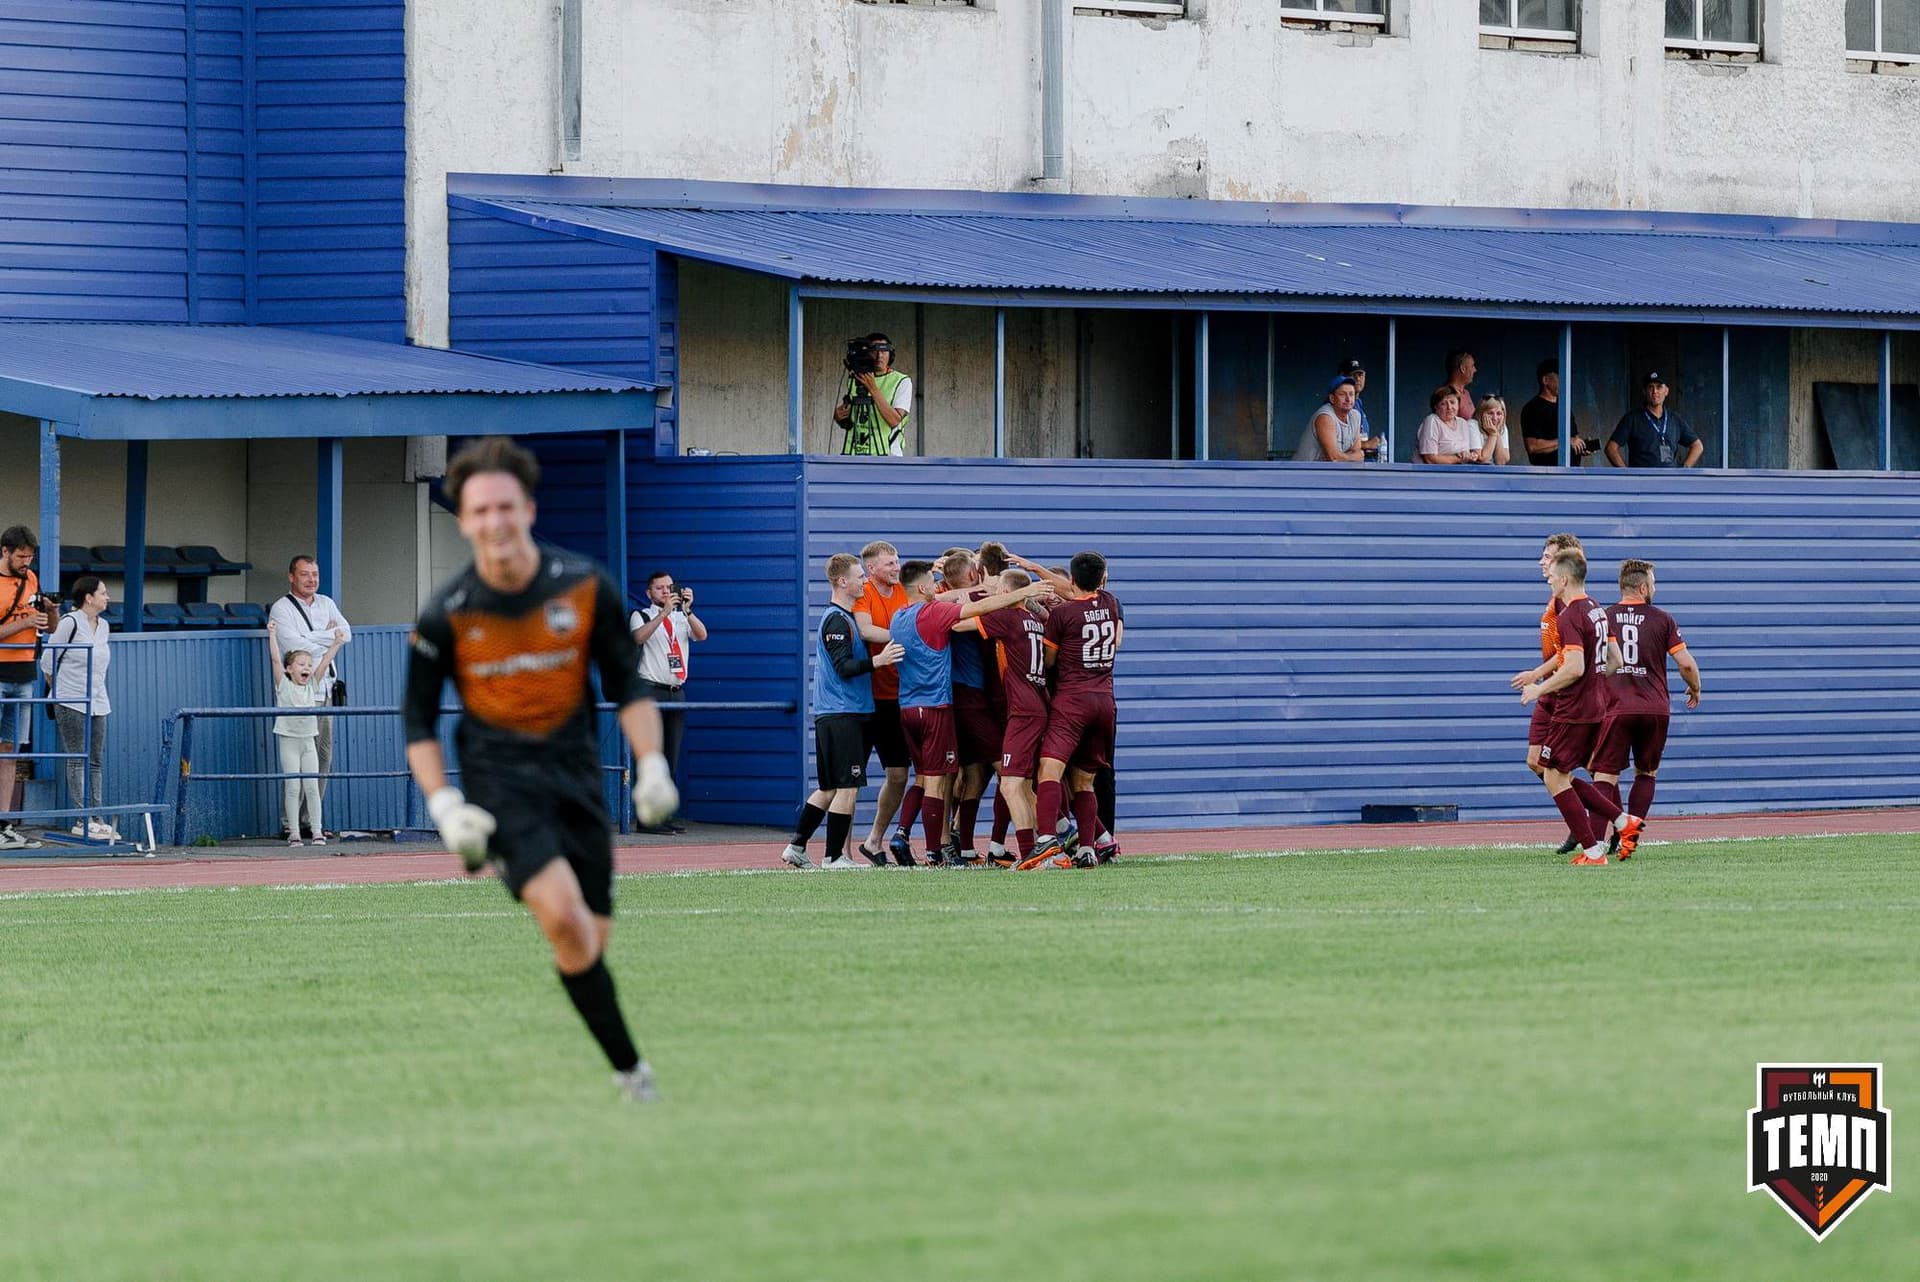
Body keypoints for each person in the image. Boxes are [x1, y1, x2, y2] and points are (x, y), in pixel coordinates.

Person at [403, 436, 679, 1103]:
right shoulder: (448, 612)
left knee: (588, 941)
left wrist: (651, 765)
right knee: (561, 919)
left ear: (526, 508)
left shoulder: (584, 586)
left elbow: (629, 686)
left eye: (505, 506)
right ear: (464, 521)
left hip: (577, 775)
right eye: (479, 512)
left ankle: (624, 1068)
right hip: (502, 784)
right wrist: (443, 806)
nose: (494, 522)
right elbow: (416, 721)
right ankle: (634, 1078)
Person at [886, 559, 1045, 864]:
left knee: (934, 777)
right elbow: (968, 613)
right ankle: (938, 851)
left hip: (906, 706)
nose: (937, 588)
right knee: (940, 780)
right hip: (936, 706)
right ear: (922, 587)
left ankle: (929, 841)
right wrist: (1022, 594)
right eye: (932, 584)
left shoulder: (897, 617)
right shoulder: (933, 612)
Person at [1516, 551, 1639, 866]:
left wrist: (1538, 688)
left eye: (1552, 576)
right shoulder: (1597, 609)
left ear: (1565, 579)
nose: (1549, 581)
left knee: (1553, 776)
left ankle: (1594, 851)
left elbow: (1573, 667)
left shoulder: (1570, 615)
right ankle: (1624, 823)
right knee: (1563, 774)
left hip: (1574, 710)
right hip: (1596, 706)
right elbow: (1616, 661)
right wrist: (1593, 684)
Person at [782, 554, 903, 870]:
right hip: (841, 713)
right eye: (859, 576)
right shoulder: (836, 619)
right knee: (847, 785)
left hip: (843, 712)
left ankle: (796, 847)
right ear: (841, 582)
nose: (864, 581)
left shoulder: (845, 617)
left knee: (829, 788)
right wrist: (878, 661)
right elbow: (843, 667)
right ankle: (834, 857)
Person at [1017, 551, 1123, 872]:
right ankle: (1088, 848)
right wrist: (1036, 569)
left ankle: (1047, 840)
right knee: (1084, 781)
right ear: (1102, 579)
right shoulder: (1110, 602)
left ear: (1073, 579)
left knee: (1049, 770)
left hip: (1072, 702)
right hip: (1104, 702)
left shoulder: (1064, 616)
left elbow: (1049, 660)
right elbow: (1075, 592)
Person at [1591, 559, 1702, 855]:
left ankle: (1594, 846)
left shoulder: (1603, 617)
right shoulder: (1663, 619)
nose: (1654, 588)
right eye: (1653, 583)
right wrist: (1695, 687)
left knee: (1604, 776)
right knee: (1646, 773)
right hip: (1653, 708)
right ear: (1643, 587)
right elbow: (1686, 664)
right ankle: (1630, 837)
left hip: (1615, 707)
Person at [970, 567, 1050, 866]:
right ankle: (1049, 841)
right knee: (1025, 786)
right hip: (1036, 705)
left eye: (998, 590)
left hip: (1023, 709)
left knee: (1010, 784)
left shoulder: (1007, 616)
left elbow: (958, 624)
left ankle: (1032, 852)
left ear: (1006, 593)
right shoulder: (1033, 620)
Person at [1512, 533, 1585, 856]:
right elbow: (1560, 651)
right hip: (1549, 689)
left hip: (1566, 692)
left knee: (1588, 767)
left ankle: (1601, 821)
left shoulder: (1571, 604)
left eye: (1548, 557)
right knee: (1536, 760)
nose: (1542, 562)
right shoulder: (1554, 600)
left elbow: (1573, 657)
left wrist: (1542, 682)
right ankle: (1586, 815)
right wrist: (1536, 673)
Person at [267, 555, 352, 829]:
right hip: (298, 693)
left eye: (314, 574)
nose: (311, 579)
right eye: (305, 574)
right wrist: (326, 636)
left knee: (323, 755)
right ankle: (289, 823)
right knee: (297, 758)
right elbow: (294, 649)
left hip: (325, 687)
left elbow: (346, 633)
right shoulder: (281, 609)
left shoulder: (327, 602)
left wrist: (312, 636)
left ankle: (309, 821)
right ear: (292, 577)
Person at [629, 570, 707, 833]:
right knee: (651, 755)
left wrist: (687, 610)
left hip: (676, 690)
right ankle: (645, 819)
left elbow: (702, 634)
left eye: (669, 587)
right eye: (660, 588)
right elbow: (637, 638)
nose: (665, 592)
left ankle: (662, 815)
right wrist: (662, 614)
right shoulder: (641, 615)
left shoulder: (680, 618)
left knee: (671, 755)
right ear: (649, 593)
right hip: (651, 690)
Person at [854, 540, 915, 863]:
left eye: (897, 562)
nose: (896, 567)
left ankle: (874, 840)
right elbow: (865, 630)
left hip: (898, 698)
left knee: (899, 775)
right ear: (871, 569)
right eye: (890, 563)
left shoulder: (905, 589)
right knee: (849, 781)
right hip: (866, 699)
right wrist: (906, 635)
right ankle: (839, 852)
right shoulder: (864, 591)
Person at [42, 576, 114, 841]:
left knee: (95, 759)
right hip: (71, 699)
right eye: (103, 593)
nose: (107, 597)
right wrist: (60, 694)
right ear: (89, 597)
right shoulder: (69, 622)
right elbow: (48, 662)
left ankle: (96, 815)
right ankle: (82, 817)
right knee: (77, 757)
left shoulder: (104, 625)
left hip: (98, 699)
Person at [267, 619, 344, 847]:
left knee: (311, 784)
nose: (306, 668)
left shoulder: (312, 686)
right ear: (289, 669)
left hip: (308, 741)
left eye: (308, 664)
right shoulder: (283, 684)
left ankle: (316, 831)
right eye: (301, 664)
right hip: (289, 741)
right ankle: (293, 833)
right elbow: (274, 659)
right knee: (293, 786)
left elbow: (325, 662)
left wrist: (336, 642)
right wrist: (272, 634)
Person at [0, 525, 49, 849]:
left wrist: (51, 614)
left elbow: (46, 626)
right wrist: (26, 622)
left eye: (30, 556)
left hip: (25, 675)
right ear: (5, 552)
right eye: (21, 556)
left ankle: (4, 822)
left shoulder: (31, 579)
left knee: (10, 753)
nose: (26, 562)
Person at [832, 333, 913, 457]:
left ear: (890, 354)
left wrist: (873, 388)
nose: (879, 355)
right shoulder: (856, 379)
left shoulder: (902, 381)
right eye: (874, 350)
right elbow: (853, 419)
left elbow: (894, 420)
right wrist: (839, 416)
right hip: (854, 454)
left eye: (884, 350)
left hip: (887, 455)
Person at [1606, 372, 1703, 469]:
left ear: (1666, 391)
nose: (1655, 391)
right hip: (1642, 481)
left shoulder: (1675, 419)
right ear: (1644, 391)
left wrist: (1683, 470)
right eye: (1650, 387)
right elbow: (1611, 448)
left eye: (1659, 387)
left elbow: (1697, 446)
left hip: (1670, 480)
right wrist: (1627, 474)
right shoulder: (1632, 418)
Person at [1520, 359, 1593, 466]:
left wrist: (1581, 445)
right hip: (1548, 475)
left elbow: (1574, 439)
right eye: (1560, 377)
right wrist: (1565, 442)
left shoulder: (1565, 407)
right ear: (1545, 380)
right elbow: (1533, 446)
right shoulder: (1532, 408)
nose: (1565, 381)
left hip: (1572, 474)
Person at [1293, 376, 1381, 463]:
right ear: (1332, 398)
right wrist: (1349, 457)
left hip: (1328, 473)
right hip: (1304, 473)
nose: (1348, 399)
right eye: (1342, 394)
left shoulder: (1355, 416)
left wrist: (1343, 457)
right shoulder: (1325, 417)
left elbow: (1358, 455)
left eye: (1351, 394)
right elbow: (1334, 458)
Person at [1415, 386, 1482, 464]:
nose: (1449, 407)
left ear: (1458, 404)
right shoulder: (1432, 421)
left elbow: (1464, 453)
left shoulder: (1462, 423)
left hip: (1457, 472)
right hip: (1432, 473)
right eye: (1443, 404)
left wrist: (1469, 456)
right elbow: (1430, 459)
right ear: (1436, 407)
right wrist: (1458, 459)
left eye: (1452, 402)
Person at [1471, 394, 1513, 466]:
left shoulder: (1502, 427)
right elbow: (1482, 459)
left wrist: (1497, 433)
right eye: (1490, 413)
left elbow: (1501, 462)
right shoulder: (1472, 424)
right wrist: (1493, 435)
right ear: (1481, 414)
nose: (1495, 418)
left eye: (1499, 413)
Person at [1443, 350, 1477, 422]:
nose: (1475, 370)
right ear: (1463, 369)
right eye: (1472, 366)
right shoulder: (1446, 394)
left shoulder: (1466, 393)